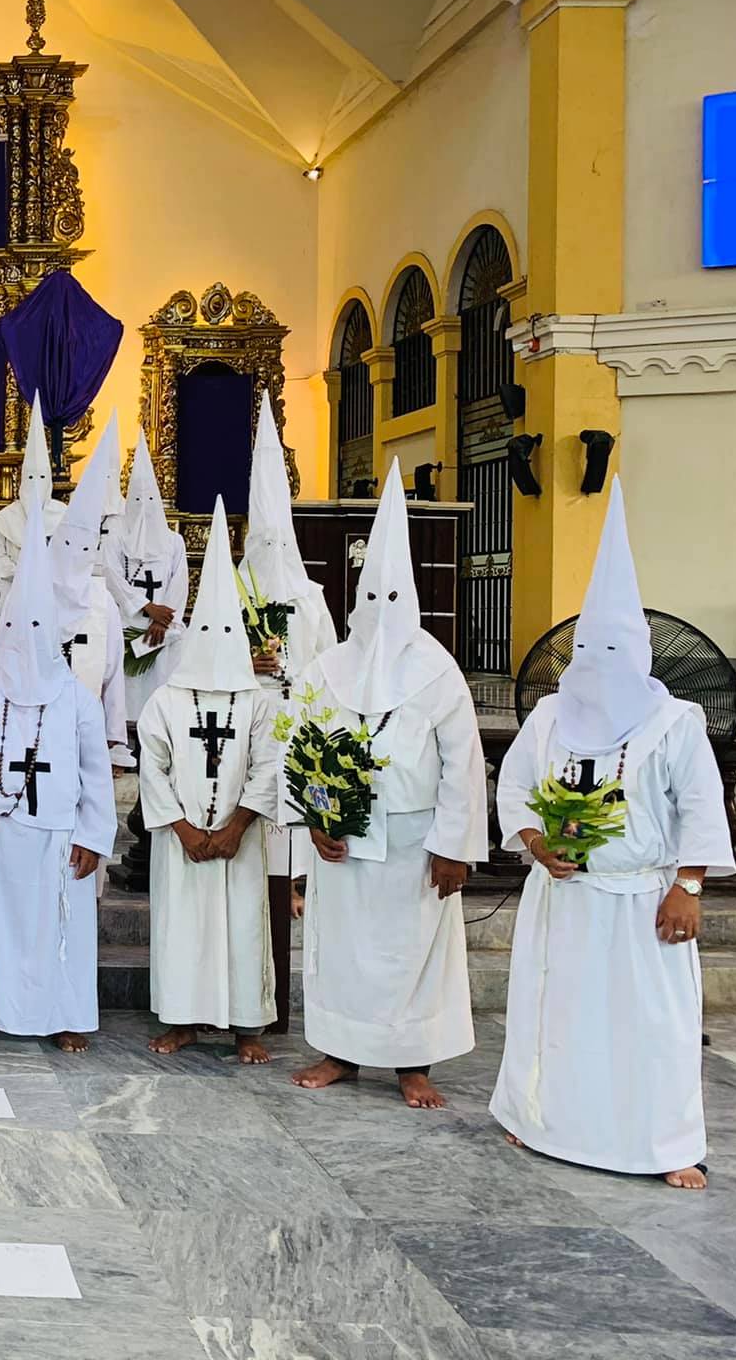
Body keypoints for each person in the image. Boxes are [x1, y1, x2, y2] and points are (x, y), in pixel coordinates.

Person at [492, 480, 731, 1189]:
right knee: (554, 1009)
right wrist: (537, 846)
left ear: (641, 651)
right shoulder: (549, 717)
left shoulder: (675, 722)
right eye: (586, 647)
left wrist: (688, 887)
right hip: (563, 899)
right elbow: (513, 788)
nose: (597, 661)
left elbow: (700, 806)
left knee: (651, 1024)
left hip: (640, 901)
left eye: (612, 647)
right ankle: (543, 1120)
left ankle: (664, 1145)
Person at [292, 459, 485, 1109]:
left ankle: (412, 1063)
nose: (380, 611)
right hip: (343, 842)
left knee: (412, 953)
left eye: (392, 599)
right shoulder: (326, 669)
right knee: (341, 948)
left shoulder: (438, 672)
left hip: (413, 841)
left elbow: (461, 762)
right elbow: (306, 743)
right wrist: (316, 819)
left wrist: (454, 844)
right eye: (370, 598)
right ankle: (340, 1053)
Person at [0, 511, 113, 1052]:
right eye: (16, 626)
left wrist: (94, 835)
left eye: (38, 627)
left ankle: (62, 1014)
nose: (25, 639)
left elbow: (96, 773)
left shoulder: (77, 698)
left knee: (60, 928)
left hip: (60, 836)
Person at [137, 502, 283, 1063]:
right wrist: (183, 829)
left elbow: (268, 765)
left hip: (237, 838)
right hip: (182, 842)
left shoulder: (256, 702)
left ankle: (248, 1025)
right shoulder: (167, 700)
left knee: (244, 924)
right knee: (184, 927)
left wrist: (236, 825)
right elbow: (152, 766)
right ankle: (182, 1020)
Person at [241, 399, 338, 1029]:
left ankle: (297, 885)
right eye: (263, 540)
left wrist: (293, 676)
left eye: (280, 540)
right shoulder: (234, 588)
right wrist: (247, 663)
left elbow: (329, 668)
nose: (272, 550)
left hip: (295, 723)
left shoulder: (311, 599)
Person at [50, 426, 129, 767]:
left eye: (85, 548)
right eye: (68, 545)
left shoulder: (101, 599)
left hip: (87, 722)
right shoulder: (34, 593)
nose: (75, 554)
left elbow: (113, 672)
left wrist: (113, 734)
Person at [104, 428, 189, 723]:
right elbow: (112, 578)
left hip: (162, 629)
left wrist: (160, 620)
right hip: (127, 624)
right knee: (125, 690)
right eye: (136, 500)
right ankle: (122, 743)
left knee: (160, 690)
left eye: (148, 500)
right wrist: (145, 607)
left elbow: (179, 586)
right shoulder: (116, 539)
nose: (142, 509)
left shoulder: (173, 542)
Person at [0, 393, 67, 593]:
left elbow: (69, 553)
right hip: (15, 589)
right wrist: (22, 574)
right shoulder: (4, 519)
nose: (35, 484)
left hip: (54, 589)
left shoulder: (63, 515)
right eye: (30, 478)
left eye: (41, 477)